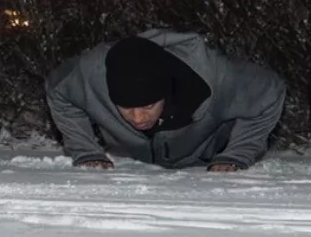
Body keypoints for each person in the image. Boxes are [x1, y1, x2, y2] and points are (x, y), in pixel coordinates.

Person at [45, 30, 286, 170]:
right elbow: (58, 91)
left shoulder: (217, 77)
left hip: (202, 155)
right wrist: (86, 151)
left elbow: (271, 91)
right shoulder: (90, 73)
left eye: (148, 106)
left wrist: (236, 154)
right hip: (135, 159)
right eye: (126, 108)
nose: (138, 118)